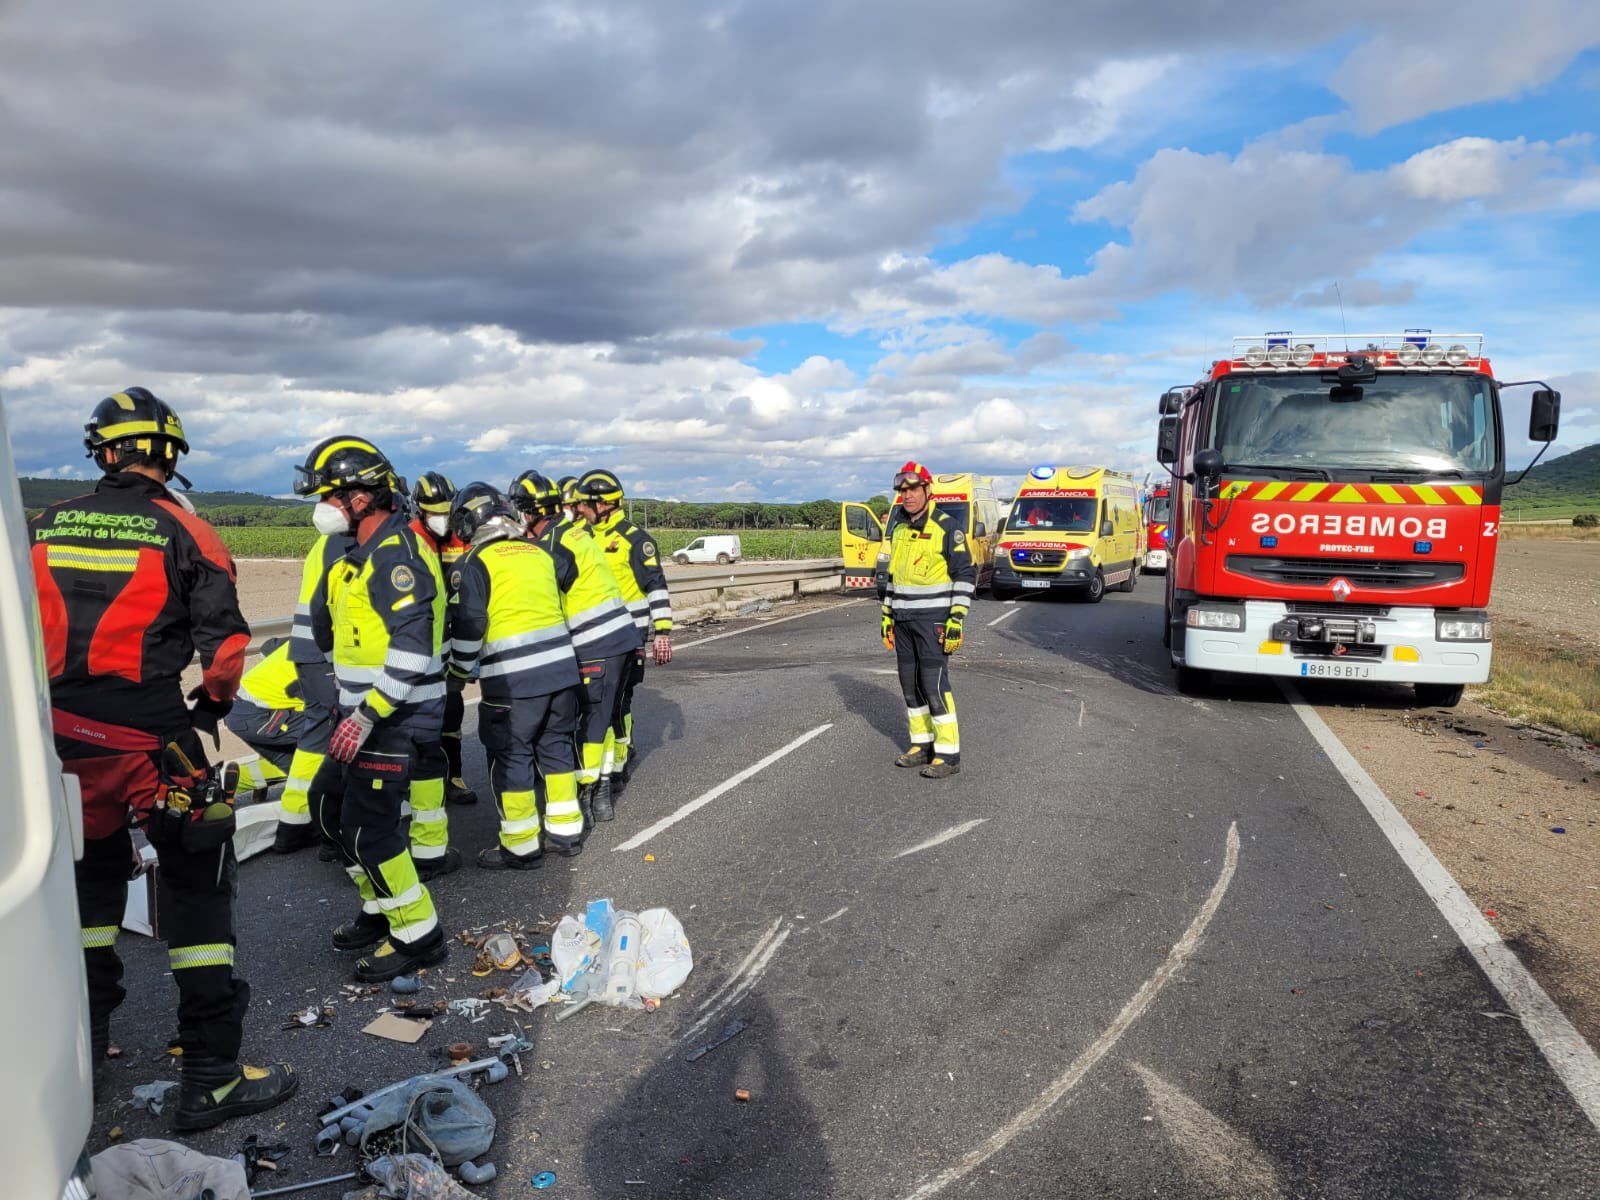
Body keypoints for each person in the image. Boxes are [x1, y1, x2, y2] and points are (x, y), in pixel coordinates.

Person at [31, 386, 296, 1130]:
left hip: (61, 742)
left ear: (102, 450)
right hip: (152, 741)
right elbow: (228, 650)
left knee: (84, 897)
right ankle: (210, 1077)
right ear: (169, 454)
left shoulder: (42, 524)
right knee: (198, 892)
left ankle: (83, 1057)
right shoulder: (187, 530)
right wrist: (209, 711)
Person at [295, 436, 451, 980]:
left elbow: (412, 646)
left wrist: (365, 716)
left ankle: (417, 934)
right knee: (328, 811)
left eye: (330, 495)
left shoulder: (397, 556)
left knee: (369, 828)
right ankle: (379, 906)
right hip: (359, 715)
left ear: (363, 497)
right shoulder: (349, 556)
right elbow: (325, 626)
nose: (323, 507)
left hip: (394, 716)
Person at [446, 483, 585, 867]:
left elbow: (470, 623)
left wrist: (458, 669)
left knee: (512, 756)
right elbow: (568, 571)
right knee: (556, 748)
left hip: (512, 681)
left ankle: (521, 846)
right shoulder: (541, 552)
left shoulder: (472, 563)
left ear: (466, 523)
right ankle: (566, 832)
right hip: (561, 672)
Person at [510, 470, 639, 825]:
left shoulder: (551, 547)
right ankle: (604, 787)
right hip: (621, 638)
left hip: (594, 642)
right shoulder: (575, 534)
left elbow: (543, 601)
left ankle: (591, 794)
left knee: (590, 726)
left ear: (530, 513)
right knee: (607, 717)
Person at [571, 469, 672, 807]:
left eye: (587, 503)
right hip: (588, 638)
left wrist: (663, 633)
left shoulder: (634, 539)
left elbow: (655, 586)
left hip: (629, 637)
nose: (581, 508)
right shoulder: (579, 537)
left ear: (607, 504)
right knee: (597, 706)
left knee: (619, 703)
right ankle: (607, 767)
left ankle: (616, 764)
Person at [881, 461, 974, 779]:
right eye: (902, 490)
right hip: (904, 621)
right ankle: (921, 746)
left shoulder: (948, 527)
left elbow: (965, 575)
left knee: (933, 687)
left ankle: (948, 755)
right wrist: (886, 614)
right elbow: (894, 576)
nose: (906, 496)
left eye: (912, 489)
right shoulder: (900, 529)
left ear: (927, 490)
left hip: (933, 621)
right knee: (910, 687)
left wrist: (956, 619)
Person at [272, 520, 356, 856]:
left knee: (317, 732)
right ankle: (323, 827)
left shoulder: (327, 541)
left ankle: (294, 822)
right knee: (330, 736)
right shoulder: (344, 543)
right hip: (323, 651)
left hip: (309, 651)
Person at [411, 471, 479, 810]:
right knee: (420, 720)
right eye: (434, 512)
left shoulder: (459, 539)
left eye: (446, 511)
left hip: (453, 641)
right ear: (419, 510)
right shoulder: (409, 540)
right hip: (420, 647)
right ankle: (420, 782)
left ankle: (453, 775)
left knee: (452, 711)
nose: (441, 518)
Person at [225, 637, 303, 799]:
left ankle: (233, 782)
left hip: (240, 707)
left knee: (297, 766)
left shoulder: (313, 633)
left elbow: (268, 646)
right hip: (258, 716)